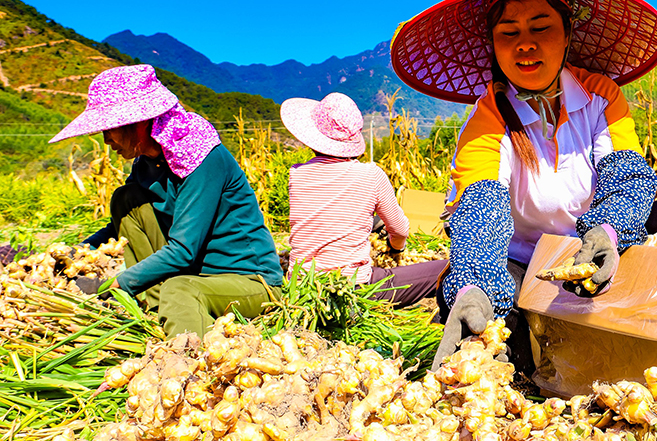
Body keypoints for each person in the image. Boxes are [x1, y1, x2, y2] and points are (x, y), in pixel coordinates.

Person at [391, 0, 657, 371]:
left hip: (600, 240)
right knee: (462, 294)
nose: (525, 45)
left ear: (567, 36)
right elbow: (481, 210)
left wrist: (608, 231)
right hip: (530, 263)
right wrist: (475, 286)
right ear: (494, 47)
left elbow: (628, 176)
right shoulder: (488, 118)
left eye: (540, 27)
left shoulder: (600, 96)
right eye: (508, 33)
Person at [49, 64, 283, 336]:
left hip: (246, 281)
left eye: (110, 129)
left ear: (137, 124)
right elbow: (121, 228)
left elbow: (183, 250)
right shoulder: (146, 162)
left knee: (179, 289)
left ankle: (188, 363)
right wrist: (76, 253)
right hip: (195, 273)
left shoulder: (202, 158)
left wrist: (111, 285)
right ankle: (161, 306)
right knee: (126, 199)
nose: (106, 140)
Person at [281, 91, 446, 307]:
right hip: (351, 289)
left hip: (302, 285)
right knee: (445, 269)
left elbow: (329, 213)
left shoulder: (297, 174)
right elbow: (399, 230)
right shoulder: (371, 175)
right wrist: (396, 249)